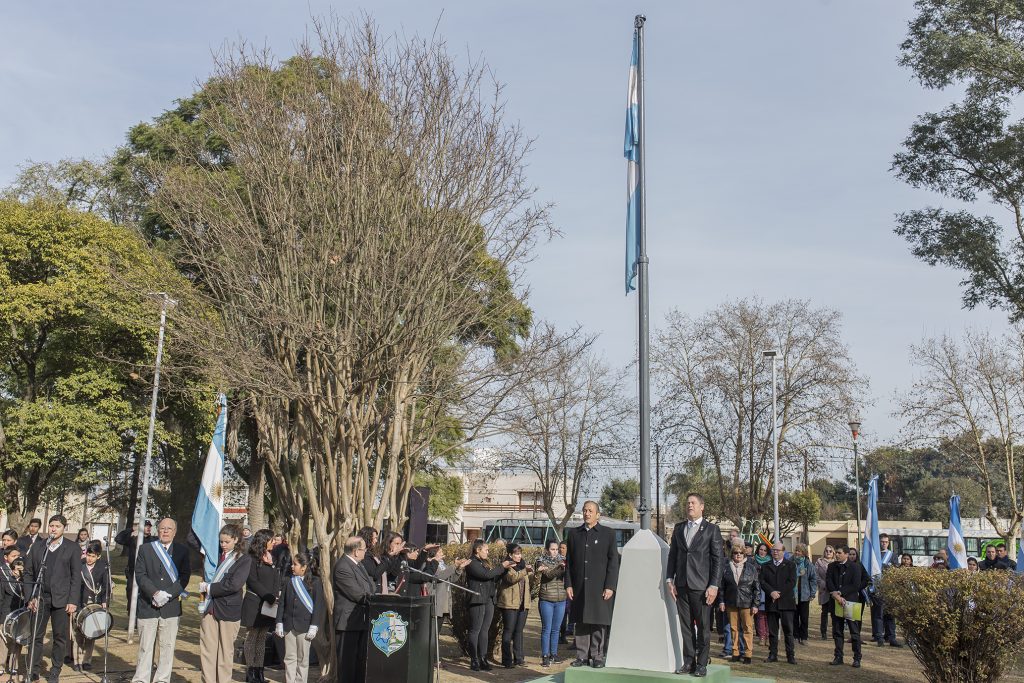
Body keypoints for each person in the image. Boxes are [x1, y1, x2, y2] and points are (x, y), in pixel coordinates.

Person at [666, 494, 722, 677]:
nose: (689, 505)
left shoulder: (711, 529)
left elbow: (718, 560)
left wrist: (714, 585)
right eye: (687, 502)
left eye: (693, 503)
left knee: (704, 627)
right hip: (681, 585)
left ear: (702, 506)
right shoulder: (679, 527)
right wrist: (669, 579)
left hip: (702, 587)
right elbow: (673, 555)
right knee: (686, 627)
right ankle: (689, 661)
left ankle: (702, 663)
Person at [23, 514, 82, 682]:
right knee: (35, 636)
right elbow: (28, 573)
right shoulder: (39, 546)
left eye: (57, 526)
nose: (53, 529)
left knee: (59, 637)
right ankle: (32, 670)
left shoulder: (72, 548)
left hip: (62, 600)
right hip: (39, 598)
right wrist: (30, 597)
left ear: (64, 528)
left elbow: (76, 577)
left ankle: (55, 670)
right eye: (51, 525)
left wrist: (72, 601)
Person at [132, 517, 191, 683]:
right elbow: (140, 575)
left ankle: (162, 679)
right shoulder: (145, 549)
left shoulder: (182, 550)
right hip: (148, 605)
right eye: (162, 528)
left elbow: (185, 577)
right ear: (158, 530)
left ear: (175, 532)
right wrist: (155, 593)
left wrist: (168, 595)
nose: (165, 531)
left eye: (169, 529)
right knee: (145, 647)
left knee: (167, 647)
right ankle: (141, 679)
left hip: (171, 607)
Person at [567, 501, 620, 670]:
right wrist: (568, 584)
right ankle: (581, 656)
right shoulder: (574, 534)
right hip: (579, 587)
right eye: (584, 510)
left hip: (600, 587)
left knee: (598, 622)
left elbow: (613, 562)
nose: (587, 513)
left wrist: (610, 586)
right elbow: (569, 563)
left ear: (598, 514)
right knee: (581, 622)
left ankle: (598, 656)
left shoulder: (608, 534)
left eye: (590, 511)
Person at [198, 524, 251, 683]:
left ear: (236, 540)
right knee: (208, 651)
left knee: (225, 652)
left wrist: (209, 588)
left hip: (229, 610)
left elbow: (234, 585)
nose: (223, 545)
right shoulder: (213, 556)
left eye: (227, 542)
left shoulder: (243, 559)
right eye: (221, 541)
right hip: (210, 608)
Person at [275, 551, 325, 683]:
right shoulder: (289, 581)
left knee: (303, 659)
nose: (292, 566)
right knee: (289, 657)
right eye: (292, 564)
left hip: (305, 625)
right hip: (289, 625)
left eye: (295, 564)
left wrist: (314, 626)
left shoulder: (316, 582)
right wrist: (279, 622)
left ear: (304, 567)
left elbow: (318, 606)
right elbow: (282, 604)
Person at [241, 529, 282, 683]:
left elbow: (276, 578)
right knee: (252, 638)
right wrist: (268, 596)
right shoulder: (250, 559)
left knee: (262, 638)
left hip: (269, 604)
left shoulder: (271, 558)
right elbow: (252, 581)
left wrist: (276, 595)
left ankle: (260, 672)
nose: (273, 542)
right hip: (255, 603)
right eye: (271, 540)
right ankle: (250, 673)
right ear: (263, 540)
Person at [333, 536, 374, 683]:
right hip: (347, 623)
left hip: (361, 621)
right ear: (356, 551)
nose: (365, 552)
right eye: (364, 549)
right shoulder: (342, 567)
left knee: (360, 663)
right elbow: (357, 594)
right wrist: (376, 599)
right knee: (347, 665)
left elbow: (371, 587)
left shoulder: (358, 565)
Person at [465, 539, 511, 671]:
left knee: (484, 630)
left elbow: (492, 577)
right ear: (477, 550)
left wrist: (505, 570)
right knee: (475, 630)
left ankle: (483, 658)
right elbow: (485, 575)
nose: (488, 552)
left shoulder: (484, 562)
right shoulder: (472, 563)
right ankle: (474, 660)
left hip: (489, 599)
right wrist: (502, 566)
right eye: (486, 550)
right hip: (478, 599)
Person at [827, 546, 869, 668]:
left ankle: (857, 658)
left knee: (854, 632)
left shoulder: (856, 567)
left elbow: (855, 584)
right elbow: (829, 581)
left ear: (846, 554)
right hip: (836, 601)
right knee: (837, 630)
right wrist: (836, 594)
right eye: (836, 553)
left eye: (839, 553)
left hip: (850, 602)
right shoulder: (832, 566)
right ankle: (838, 656)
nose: (837, 555)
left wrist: (840, 593)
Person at [719, 543, 758, 664]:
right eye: (736, 553)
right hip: (731, 602)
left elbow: (756, 587)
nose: (738, 555)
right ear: (732, 554)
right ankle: (735, 653)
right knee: (733, 628)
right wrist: (721, 601)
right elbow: (721, 587)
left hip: (747, 602)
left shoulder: (751, 568)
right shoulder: (726, 567)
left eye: (741, 553)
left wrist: (755, 604)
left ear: (744, 554)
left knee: (747, 629)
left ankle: (747, 654)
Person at [73, 540, 109, 672]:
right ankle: (77, 660)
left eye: (93, 556)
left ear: (98, 556)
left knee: (91, 633)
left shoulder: (103, 567)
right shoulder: (79, 565)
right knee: (77, 633)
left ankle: (87, 660)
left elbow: (106, 585)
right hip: (79, 602)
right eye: (88, 555)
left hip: (95, 603)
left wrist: (105, 600)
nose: (90, 558)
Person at [760, 542, 797, 665]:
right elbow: (762, 581)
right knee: (772, 631)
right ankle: (773, 654)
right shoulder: (765, 566)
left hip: (786, 603)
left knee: (788, 631)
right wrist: (771, 592)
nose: (775, 552)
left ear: (783, 551)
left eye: (778, 550)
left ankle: (790, 655)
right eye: (773, 550)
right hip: (772, 603)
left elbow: (791, 582)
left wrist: (779, 593)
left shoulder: (790, 565)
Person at [496, 543, 532, 668]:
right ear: (510, 555)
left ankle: (519, 658)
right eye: (516, 554)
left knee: (519, 631)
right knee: (508, 631)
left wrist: (531, 572)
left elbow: (526, 583)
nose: (519, 556)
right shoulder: (507, 565)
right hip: (509, 603)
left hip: (522, 604)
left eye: (520, 553)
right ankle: (507, 660)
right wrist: (525, 571)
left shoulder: (522, 565)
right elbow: (512, 578)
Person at [535, 539, 568, 668]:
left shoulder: (562, 560)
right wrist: (560, 568)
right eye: (552, 549)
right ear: (547, 550)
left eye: (556, 549)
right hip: (547, 599)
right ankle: (545, 655)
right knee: (546, 629)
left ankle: (554, 654)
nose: (555, 552)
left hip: (561, 599)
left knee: (556, 629)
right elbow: (548, 575)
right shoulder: (541, 560)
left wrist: (564, 566)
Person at [869, 534, 901, 648]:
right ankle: (879, 637)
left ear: (888, 543)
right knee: (878, 615)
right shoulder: (873, 555)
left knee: (890, 615)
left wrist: (885, 567)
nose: (884, 543)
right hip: (877, 589)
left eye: (886, 542)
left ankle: (891, 637)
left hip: (889, 589)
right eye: (882, 541)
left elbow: (895, 570)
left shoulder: (892, 555)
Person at [115, 520, 155, 606]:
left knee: (146, 593)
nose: (148, 528)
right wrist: (132, 529)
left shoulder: (153, 540)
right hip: (133, 572)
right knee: (130, 591)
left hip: (147, 573)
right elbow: (118, 539)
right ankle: (131, 612)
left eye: (149, 526)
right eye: (145, 526)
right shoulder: (133, 540)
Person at [1, 546, 26, 676]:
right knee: (4, 639)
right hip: (6, 612)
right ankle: (1, 664)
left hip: (21, 613)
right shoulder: (5, 576)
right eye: (13, 556)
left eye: (18, 556)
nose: (17, 559)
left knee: (18, 640)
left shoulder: (25, 579)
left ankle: (13, 665)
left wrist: (22, 578)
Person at [792, 544, 816, 646]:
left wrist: (812, 593)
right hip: (793, 595)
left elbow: (813, 579)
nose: (797, 553)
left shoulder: (808, 564)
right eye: (796, 550)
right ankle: (795, 636)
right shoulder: (790, 563)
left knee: (804, 617)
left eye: (800, 551)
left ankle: (804, 637)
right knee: (794, 617)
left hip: (804, 595)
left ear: (804, 553)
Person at [815, 545, 835, 640]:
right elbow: (816, 575)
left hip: (834, 591)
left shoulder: (836, 562)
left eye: (830, 551)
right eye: (826, 551)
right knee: (824, 612)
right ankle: (823, 632)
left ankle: (835, 632)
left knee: (835, 613)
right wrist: (822, 583)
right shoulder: (819, 562)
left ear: (833, 553)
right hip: (824, 590)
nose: (828, 552)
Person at [357, 527, 386, 593]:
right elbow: (374, 574)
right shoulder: (363, 555)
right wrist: (388, 557)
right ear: (367, 538)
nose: (376, 541)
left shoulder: (372, 553)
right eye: (375, 538)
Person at [752, 543, 770, 645]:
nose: (762, 552)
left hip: (767, 591)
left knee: (768, 615)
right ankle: (762, 636)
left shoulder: (771, 562)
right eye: (761, 549)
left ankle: (768, 636)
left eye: (764, 550)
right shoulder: (753, 562)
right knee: (760, 615)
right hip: (757, 590)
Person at [558, 540, 572, 645]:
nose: (561, 550)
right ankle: (561, 636)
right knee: (562, 615)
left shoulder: (572, 560)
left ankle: (568, 632)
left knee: (570, 614)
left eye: (563, 548)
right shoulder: (557, 560)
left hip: (570, 592)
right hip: (560, 591)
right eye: (560, 547)